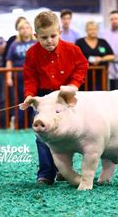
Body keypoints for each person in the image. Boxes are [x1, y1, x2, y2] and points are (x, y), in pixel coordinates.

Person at [22, 11, 88, 185]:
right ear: (35, 36)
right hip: (42, 97)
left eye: (53, 36)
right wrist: (30, 96)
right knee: (42, 135)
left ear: (60, 32)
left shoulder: (73, 50)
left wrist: (73, 85)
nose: (49, 41)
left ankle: (63, 170)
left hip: (64, 96)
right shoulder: (31, 53)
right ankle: (46, 173)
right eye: (43, 37)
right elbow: (30, 77)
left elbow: (82, 66)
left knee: (66, 133)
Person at [5, 19, 35, 129]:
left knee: (33, 100)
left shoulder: (36, 43)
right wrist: (9, 76)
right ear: (19, 31)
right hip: (18, 77)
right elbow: (9, 60)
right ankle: (20, 125)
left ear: (31, 30)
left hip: (33, 77)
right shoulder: (14, 44)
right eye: (22, 28)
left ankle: (33, 124)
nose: (25, 30)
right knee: (19, 101)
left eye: (27, 28)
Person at [75, 20, 115, 90]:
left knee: (100, 96)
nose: (93, 31)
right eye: (90, 29)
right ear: (86, 30)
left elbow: (112, 56)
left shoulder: (103, 42)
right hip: (84, 77)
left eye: (95, 29)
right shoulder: (79, 42)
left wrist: (101, 59)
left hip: (101, 77)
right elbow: (74, 57)